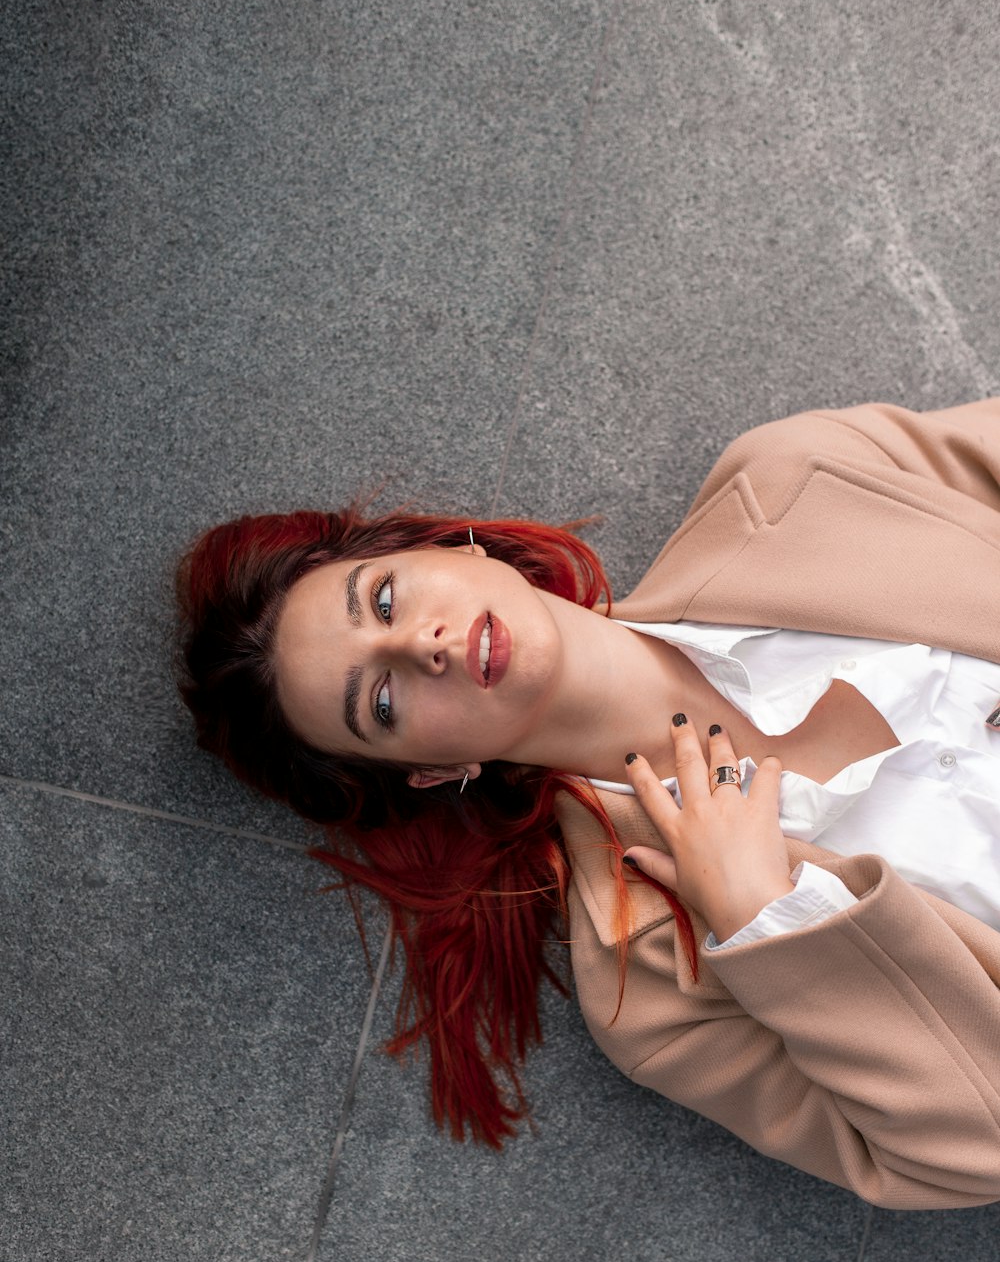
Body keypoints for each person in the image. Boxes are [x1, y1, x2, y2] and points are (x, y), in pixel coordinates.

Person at [175, 397, 1000, 1211]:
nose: (419, 644)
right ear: (431, 772)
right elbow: (971, 1155)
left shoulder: (793, 483)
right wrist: (765, 917)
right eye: (381, 703)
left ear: (449, 546)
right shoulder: (647, 992)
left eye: (385, 600)